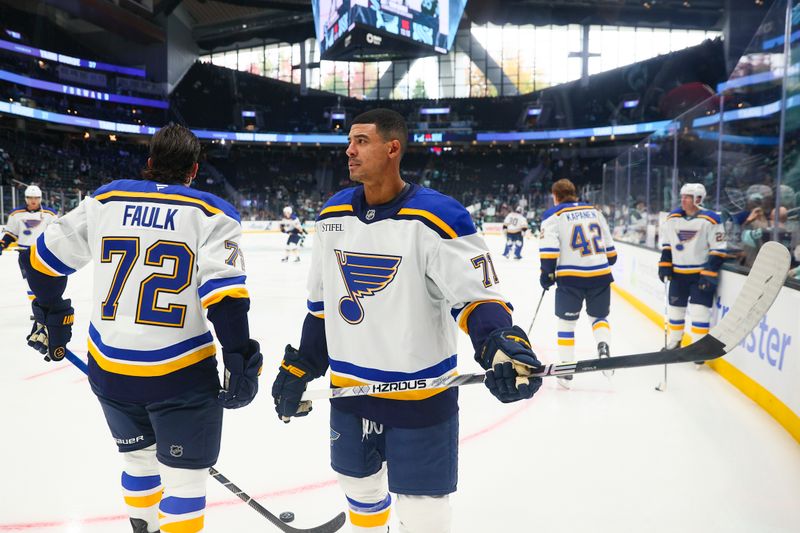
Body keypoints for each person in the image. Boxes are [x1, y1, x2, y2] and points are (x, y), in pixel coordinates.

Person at [271, 108, 542, 533]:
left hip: (421, 397)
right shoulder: (332, 215)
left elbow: (477, 299)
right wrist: (300, 365)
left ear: (392, 147)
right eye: (349, 140)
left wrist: (499, 346)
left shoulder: (440, 217)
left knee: (424, 516)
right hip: (350, 391)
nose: (349, 150)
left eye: (361, 140)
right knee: (358, 491)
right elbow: (321, 305)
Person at [23, 124, 262, 533]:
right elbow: (224, 296)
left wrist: (51, 313)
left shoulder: (106, 199)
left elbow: (41, 261)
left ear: (150, 163)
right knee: (184, 482)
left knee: (137, 461)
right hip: (180, 375)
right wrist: (239, 357)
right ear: (194, 170)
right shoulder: (212, 213)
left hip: (111, 371)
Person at [539, 178, 617, 388]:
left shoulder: (553, 215)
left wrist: (546, 274)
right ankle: (603, 346)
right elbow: (611, 253)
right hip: (601, 274)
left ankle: (565, 369)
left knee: (567, 323)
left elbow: (549, 250)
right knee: (599, 317)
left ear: (555, 196)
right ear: (574, 193)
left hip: (571, 278)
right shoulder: (595, 211)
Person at [658, 183, 727, 360]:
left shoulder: (711, 220)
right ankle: (674, 342)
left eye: (687, 197)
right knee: (675, 310)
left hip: (699, 275)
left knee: (699, 312)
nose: (683, 200)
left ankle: (699, 348)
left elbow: (719, 249)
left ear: (698, 199)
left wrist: (709, 272)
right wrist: (665, 263)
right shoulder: (672, 218)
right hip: (678, 275)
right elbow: (667, 244)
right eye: (682, 196)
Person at [0, 185, 57, 304]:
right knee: (29, 282)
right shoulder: (16, 214)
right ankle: (37, 308)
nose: (33, 200)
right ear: (26, 198)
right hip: (24, 253)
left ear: (40, 198)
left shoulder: (49, 214)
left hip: (42, 252)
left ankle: (44, 305)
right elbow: (11, 234)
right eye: (30, 197)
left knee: (44, 281)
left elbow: (55, 233)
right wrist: (2, 244)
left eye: (36, 198)